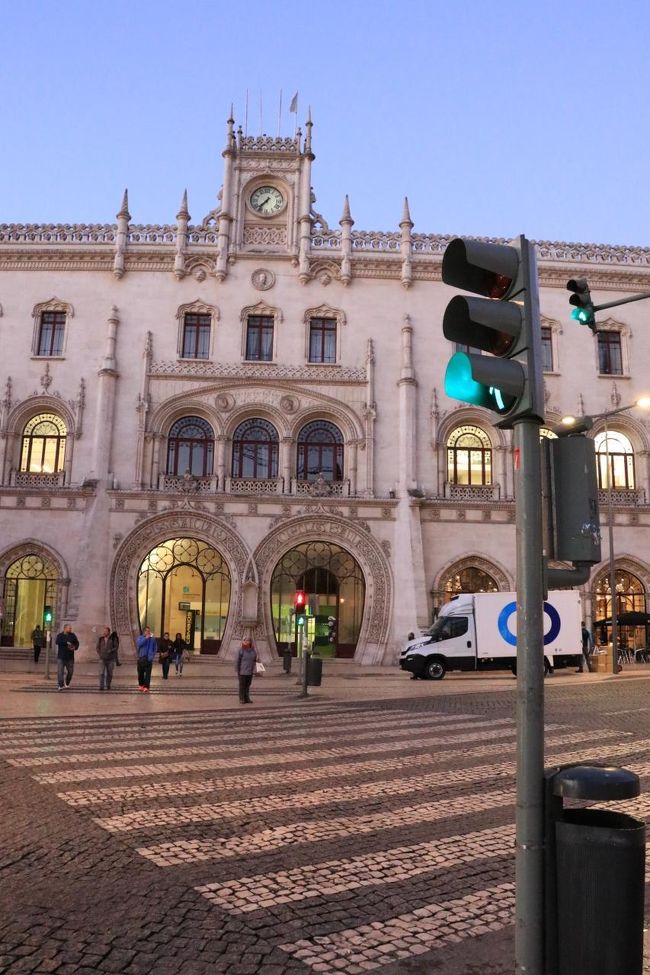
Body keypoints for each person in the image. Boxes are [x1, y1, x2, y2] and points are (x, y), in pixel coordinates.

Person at [55, 624, 79, 690]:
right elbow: (57, 642)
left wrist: (75, 647)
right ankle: (60, 685)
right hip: (61, 657)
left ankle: (67, 682)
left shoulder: (73, 635)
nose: (70, 629)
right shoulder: (60, 635)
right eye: (69, 628)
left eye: (71, 628)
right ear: (65, 628)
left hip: (70, 657)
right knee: (60, 672)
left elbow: (77, 643)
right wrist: (66, 642)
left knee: (70, 672)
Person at [236, 637, 258, 704]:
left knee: (247, 685)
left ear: (250, 642)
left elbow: (254, 659)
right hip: (242, 671)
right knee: (242, 685)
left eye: (247, 640)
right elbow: (237, 661)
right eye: (244, 640)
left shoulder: (253, 650)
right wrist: (238, 670)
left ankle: (247, 698)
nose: (246, 641)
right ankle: (241, 698)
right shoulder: (241, 650)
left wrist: (256, 659)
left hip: (250, 671)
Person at [136, 626, 157, 692]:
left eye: (149, 631)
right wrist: (145, 638)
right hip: (141, 658)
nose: (148, 632)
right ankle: (141, 685)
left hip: (148, 659)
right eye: (147, 631)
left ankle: (146, 687)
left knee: (148, 674)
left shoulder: (152, 639)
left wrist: (152, 655)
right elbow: (139, 644)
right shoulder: (140, 638)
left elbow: (155, 648)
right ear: (144, 631)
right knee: (140, 673)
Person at [96, 626, 118, 690]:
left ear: (109, 632)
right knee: (101, 673)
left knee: (110, 673)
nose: (104, 632)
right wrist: (100, 654)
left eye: (105, 631)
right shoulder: (100, 639)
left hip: (110, 659)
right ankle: (101, 686)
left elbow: (116, 647)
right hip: (102, 659)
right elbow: (97, 647)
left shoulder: (113, 639)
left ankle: (108, 685)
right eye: (104, 631)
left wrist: (111, 650)